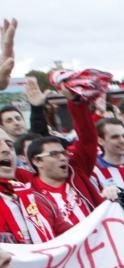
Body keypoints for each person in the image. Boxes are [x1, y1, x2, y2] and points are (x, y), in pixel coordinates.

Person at [25, 87, 102, 226]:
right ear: (37, 161)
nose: (63, 158)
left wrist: (76, 102)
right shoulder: (29, 195)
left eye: (63, 152)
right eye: (54, 154)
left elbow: (87, 139)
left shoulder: (77, 172)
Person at [0, 129, 70, 243]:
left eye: (9, 145)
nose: (6, 149)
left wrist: (108, 203)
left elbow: (74, 236)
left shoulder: (35, 197)